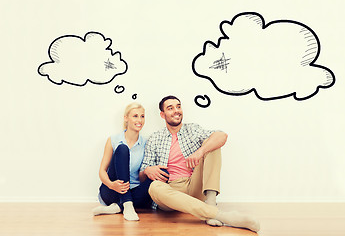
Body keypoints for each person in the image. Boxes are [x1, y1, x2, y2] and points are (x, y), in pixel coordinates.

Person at [140, 95, 260, 232]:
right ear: (162, 114)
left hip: (194, 185)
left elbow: (222, 136)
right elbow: (142, 175)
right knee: (154, 187)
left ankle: (210, 203)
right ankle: (219, 215)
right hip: (172, 191)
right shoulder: (154, 138)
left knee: (212, 144)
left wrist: (200, 152)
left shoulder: (192, 129)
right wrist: (147, 170)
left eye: (178, 106)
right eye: (170, 108)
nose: (176, 110)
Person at [92, 102, 152, 221]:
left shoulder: (147, 143)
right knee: (122, 149)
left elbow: (142, 178)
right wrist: (111, 184)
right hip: (112, 190)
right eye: (135, 116)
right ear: (126, 118)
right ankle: (128, 204)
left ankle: (119, 207)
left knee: (156, 180)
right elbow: (102, 171)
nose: (139, 120)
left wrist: (147, 172)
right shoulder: (113, 140)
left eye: (142, 116)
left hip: (134, 191)